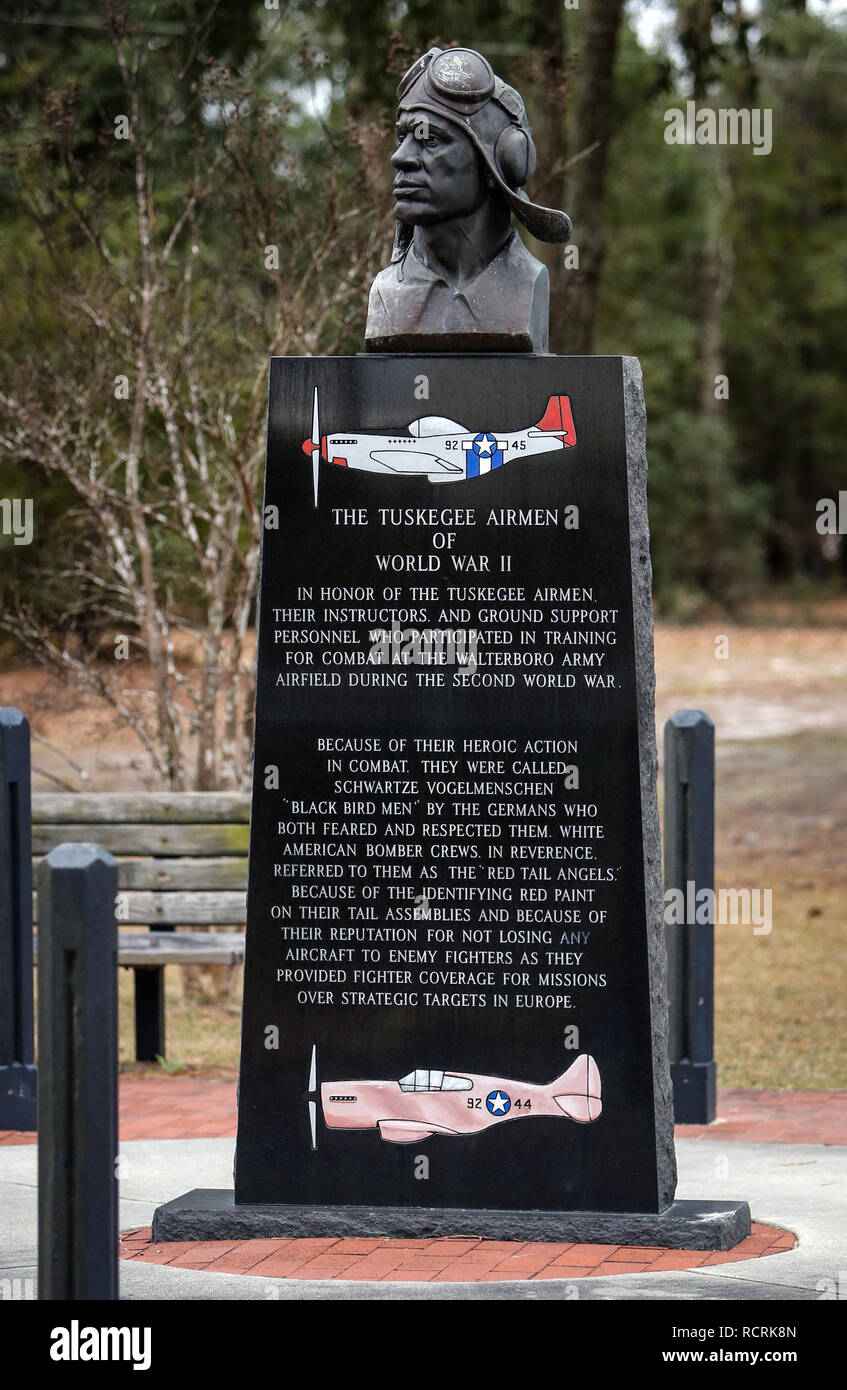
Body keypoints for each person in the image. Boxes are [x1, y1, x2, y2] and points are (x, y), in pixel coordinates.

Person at [365, 46, 572, 354]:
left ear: (499, 163)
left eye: (430, 139)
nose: (400, 157)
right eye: (402, 138)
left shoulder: (526, 286)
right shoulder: (387, 292)